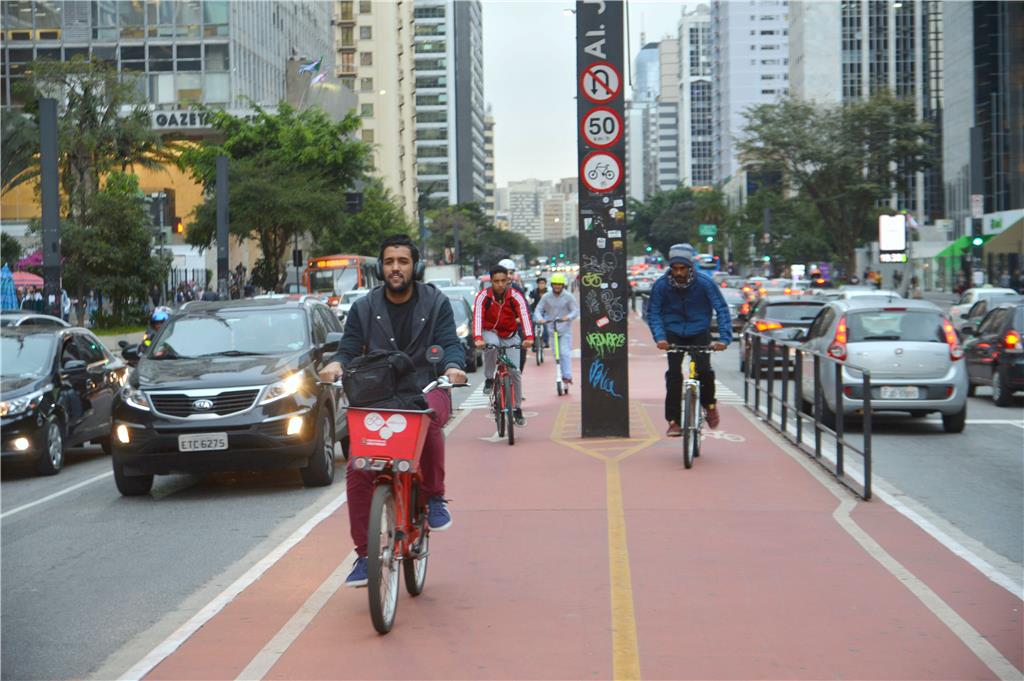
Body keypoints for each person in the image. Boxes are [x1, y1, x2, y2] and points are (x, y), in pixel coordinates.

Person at [318, 235, 467, 588]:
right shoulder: (364, 307)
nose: (396, 268)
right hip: (378, 394)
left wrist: (453, 367)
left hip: (425, 388)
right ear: (380, 268)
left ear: (415, 265)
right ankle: (365, 554)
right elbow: (349, 347)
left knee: (426, 420)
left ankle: (433, 498)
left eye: (402, 261)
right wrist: (337, 364)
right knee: (358, 467)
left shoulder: (436, 302)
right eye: (389, 262)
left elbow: (450, 343)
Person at [646, 243, 731, 436]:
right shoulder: (661, 285)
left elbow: (722, 309)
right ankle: (673, 421)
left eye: (682, 268)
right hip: (673, 333)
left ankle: (709, 405)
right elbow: (654, 313)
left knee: (704, 371)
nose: (678, 273)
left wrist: (724, 339)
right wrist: (660, 338)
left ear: (690, 267)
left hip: (699, 331)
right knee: (674, 375)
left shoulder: (705, 283)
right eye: (674, 268)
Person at [473, 263, 534, 426]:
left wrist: (529, 338)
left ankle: (517, 409)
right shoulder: (482, 297)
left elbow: (525, 316)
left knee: (515, 371)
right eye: (496, 281)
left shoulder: (515, 296)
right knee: (491, 345)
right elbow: (478, 318)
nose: (500, 284)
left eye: (503, 281)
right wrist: (478, 338)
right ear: (491, 282)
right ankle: (489, 379)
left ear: (508, 280)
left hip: (510, 335)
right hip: (490, 331)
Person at [533, 272, 578, 386]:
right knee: (556, 354)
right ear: (552, 285)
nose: (557, 286)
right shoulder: (546, 297)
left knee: (564, 353)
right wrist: (540, 319)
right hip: (552, 329)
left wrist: (567, 317)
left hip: (565, 329)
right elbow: (538, 310)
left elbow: (575, 311)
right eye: (555, 284)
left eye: (559, 284)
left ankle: (567, 376)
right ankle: (560, 373)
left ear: (563, 285)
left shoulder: (568, 297)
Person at [529, 277, 550, 348]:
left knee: (545, 326)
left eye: (543, 283)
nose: (541, 285)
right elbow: (530, 301)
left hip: (546, 312)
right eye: (540, 283)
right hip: (535, 312)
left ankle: (546, 341)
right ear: (537, 284)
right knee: (532, 325)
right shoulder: (533, 292)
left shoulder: (549, 293)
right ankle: (533, 342)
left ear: (545, 284)